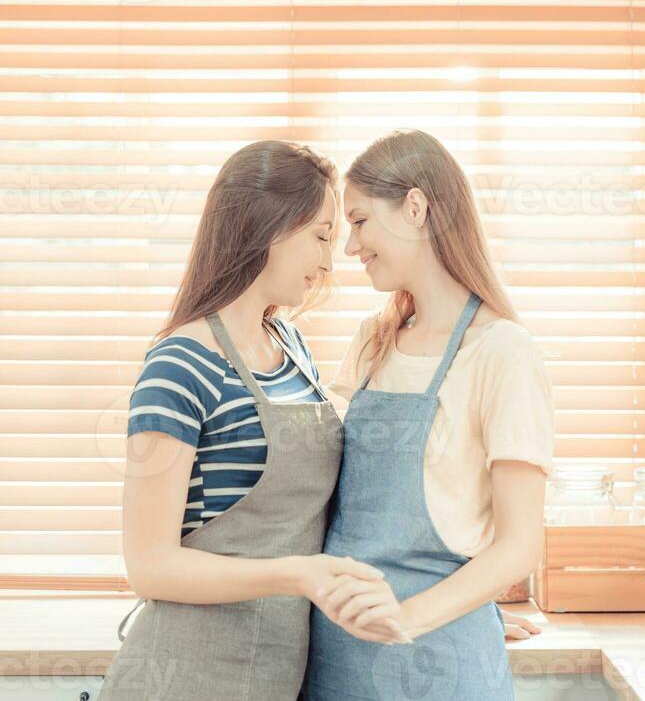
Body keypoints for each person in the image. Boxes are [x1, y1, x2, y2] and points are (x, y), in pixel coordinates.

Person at [98, 140, 405, 701]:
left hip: (271, 675)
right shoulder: (180, 365)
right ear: (268, 226)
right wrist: (298, 575)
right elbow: (150, 565)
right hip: (183, 676)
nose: (327, 260)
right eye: (320, 236)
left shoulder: (289, 345)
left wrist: (435, 607)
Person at [301, 128, 555, 701]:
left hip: (439, 663)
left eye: (360, 221)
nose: (349, 248)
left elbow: (519, 544)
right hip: (337, 657)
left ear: (414, 207)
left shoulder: (502, 352)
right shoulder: (375, 340)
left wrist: (420, 617)